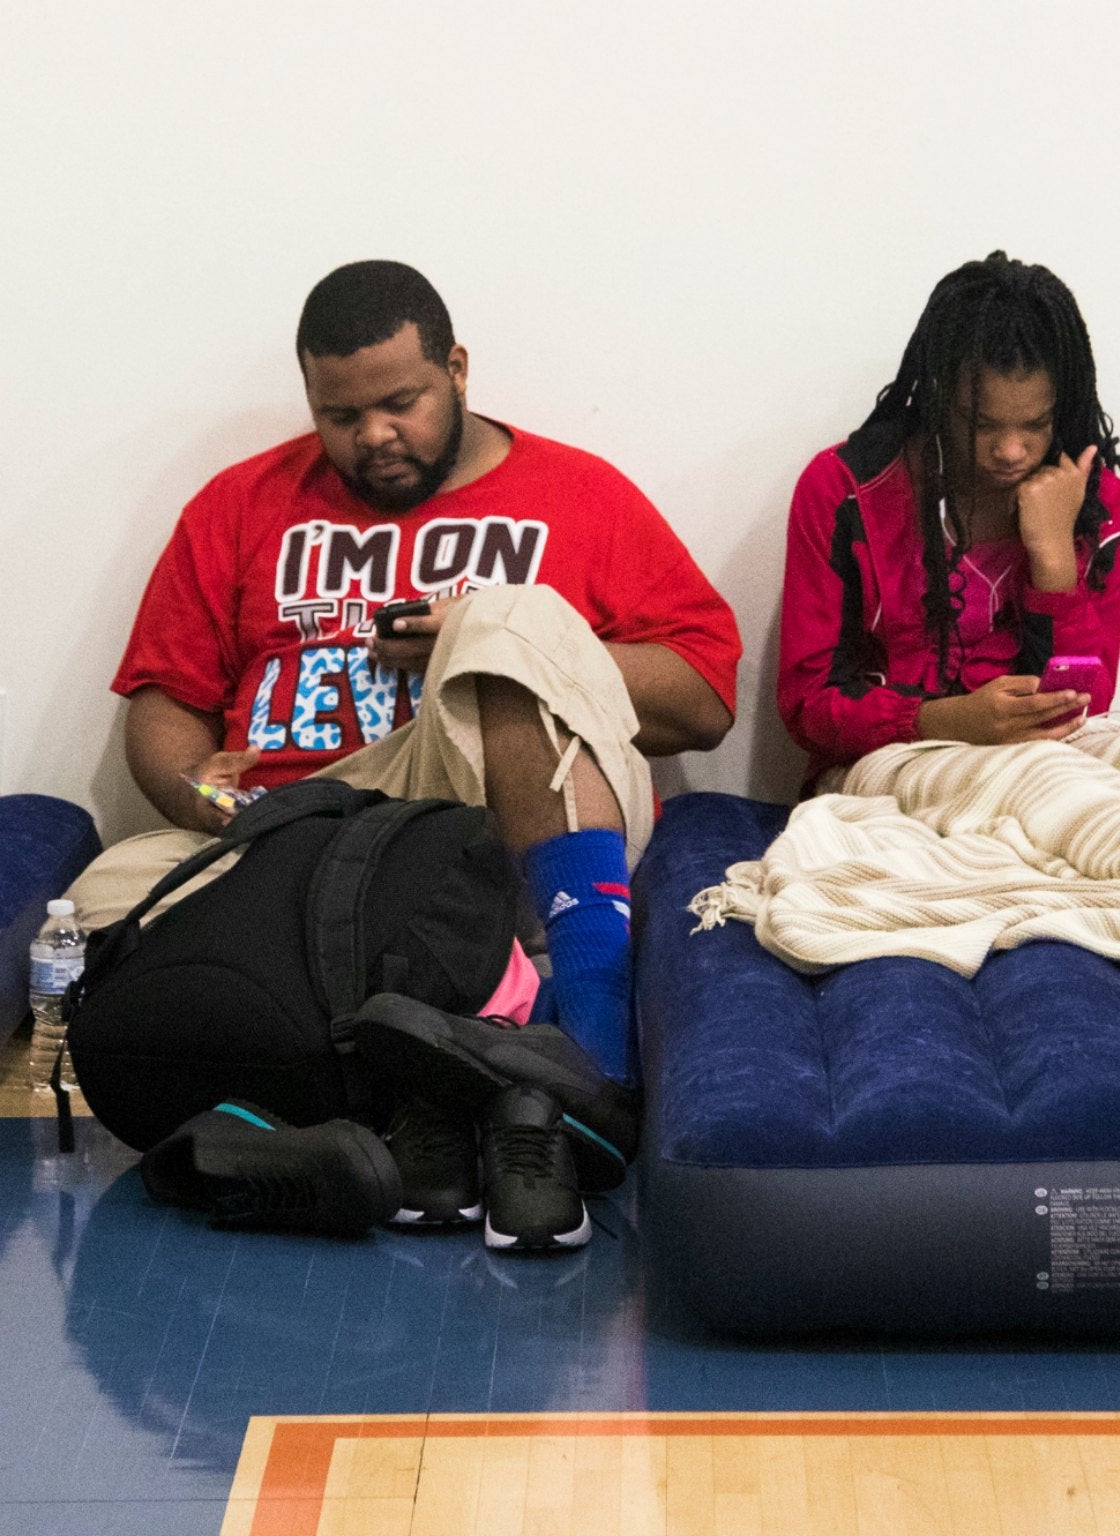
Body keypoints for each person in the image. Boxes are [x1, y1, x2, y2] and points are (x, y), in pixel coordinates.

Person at [73, 260, 742, 1249]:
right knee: (101, 908)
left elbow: (706, 698)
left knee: (510, 618)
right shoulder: (240, 504)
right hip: (299, 835)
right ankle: (405, 1099)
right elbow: (162, 714)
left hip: (476, 821)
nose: (374, 435)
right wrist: (220, 807)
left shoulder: (577, 494)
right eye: (340, 414)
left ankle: (591, 1069)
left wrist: (485, 640)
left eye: (401, 402)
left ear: (458, 369)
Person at [778, 251, 1120, 786]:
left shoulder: (1100, 506)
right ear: (939, 398)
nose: (1012, 450)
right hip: (892, 760)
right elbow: (808, 705)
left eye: (1035, 424)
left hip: (1048, 763)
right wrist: (943, 721)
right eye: (981, 424)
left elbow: (1089, 701)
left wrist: (1055, 557)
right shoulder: (842, 491)